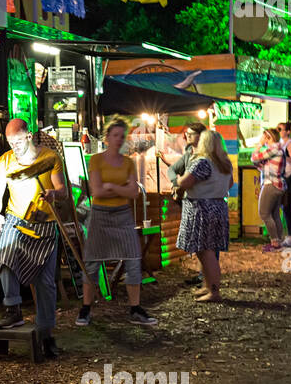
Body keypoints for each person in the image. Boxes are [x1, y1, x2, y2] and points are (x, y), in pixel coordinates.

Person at [0, 118, 65, 358]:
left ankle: (46, 333)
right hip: (15, 219)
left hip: (44, 224)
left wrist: (54, 194)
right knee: (6, 256)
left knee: (46, 282)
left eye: (19, 141)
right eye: (11, 142)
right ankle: (12, 307)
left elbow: (62, 189)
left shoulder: (50, 158)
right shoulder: (4, 162)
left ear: (29, 135)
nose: (15, 146)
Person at [76, 119, 157, 327]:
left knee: (133, 259)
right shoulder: (96, 160)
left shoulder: (128, 163)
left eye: (122, 136)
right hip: (100, 214)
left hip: (122, 215)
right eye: (115, 135)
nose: (119, 139)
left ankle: (135, 308)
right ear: (107, 137)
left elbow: (134, 192)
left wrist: (111, 185)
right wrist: (119, 187)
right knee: (93, 262)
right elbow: (97, 191)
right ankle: (85, 308)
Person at [175, 129, 232, 302]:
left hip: (201, 209)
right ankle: (208, 286)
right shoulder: (224, 162)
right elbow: (230, 183)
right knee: (206, 250)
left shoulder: (203, 162)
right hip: (218, 206)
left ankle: (214, 291)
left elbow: (185, 181)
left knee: (206, 252)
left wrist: (178, 179)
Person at [158, 121, 205, 285]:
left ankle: (208, 278)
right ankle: (203, 276)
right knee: (198, 241)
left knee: (207, 243)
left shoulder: (207, 155)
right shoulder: (188, 153)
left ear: (201, 136)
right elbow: (172, 170)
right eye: (187, 133)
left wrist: (182, 182)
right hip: (191, 201)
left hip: (205, 202)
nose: (187, 136)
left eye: (191, 134)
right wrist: (177, 183)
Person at [250, 128, 286, 253]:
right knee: (274, 214)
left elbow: (254, 158)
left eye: (265, 137)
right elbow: (263, 166)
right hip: (278, 185)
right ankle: (278, 242)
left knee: (264, 213)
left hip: (271, 184)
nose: (263, 139)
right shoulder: (277, 150)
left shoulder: (273, 149)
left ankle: (275, 242)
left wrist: (259, 145)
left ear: (269, 138)